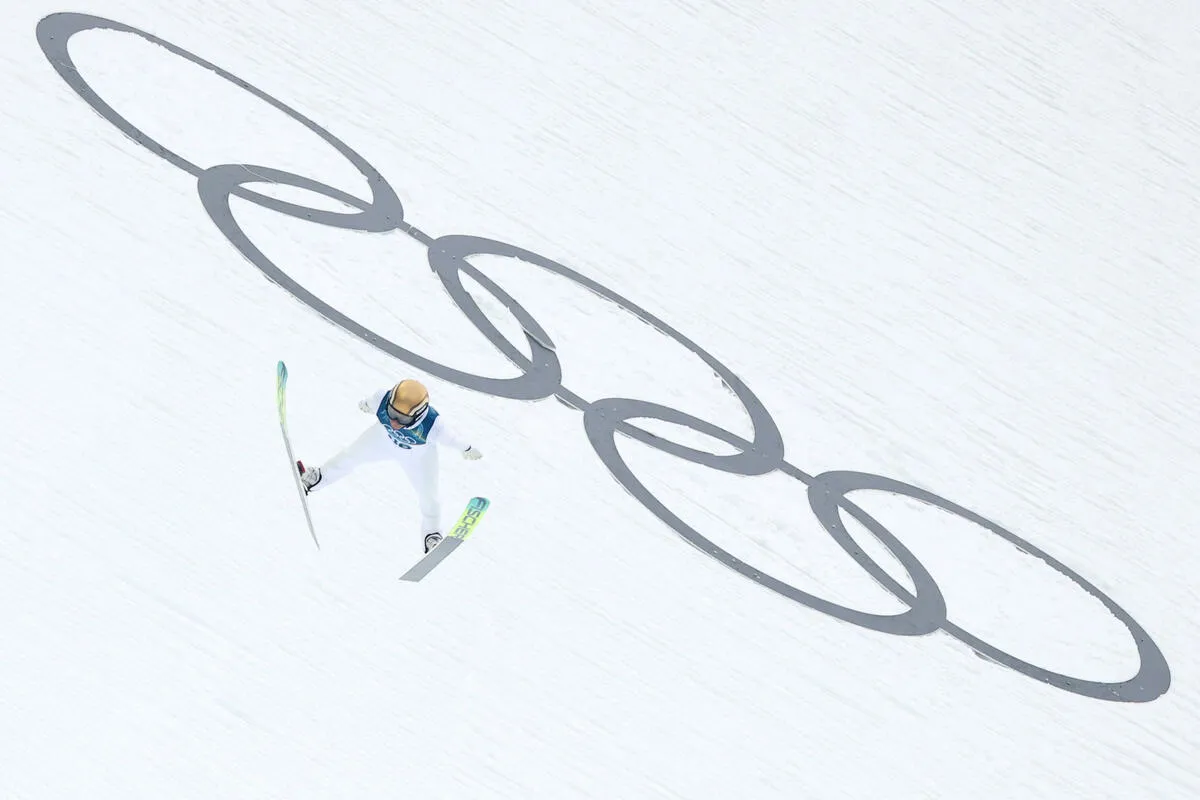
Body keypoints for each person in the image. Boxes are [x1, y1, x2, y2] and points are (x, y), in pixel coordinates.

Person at [296, 378, 483, 553]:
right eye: (392, 413)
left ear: (418, 415)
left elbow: (454, 439)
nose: (394, 421)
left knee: (429, 496)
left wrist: (467, 448)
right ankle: (318, 478)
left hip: (419, 457)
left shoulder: (434, 425)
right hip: (382, 440)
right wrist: (366, 405)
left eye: (403, 419)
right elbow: (370, 403)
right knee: (349, 456)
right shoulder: (381, 398)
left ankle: (432, 533)